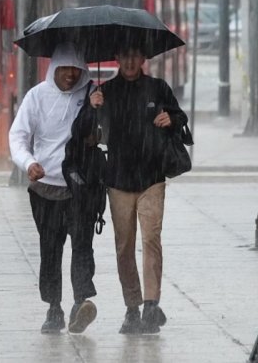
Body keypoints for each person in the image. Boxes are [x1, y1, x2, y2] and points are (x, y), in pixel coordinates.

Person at [84, 42, 187, 334]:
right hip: (117, 181)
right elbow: (93, 134)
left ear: (144, 58)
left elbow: (180, 117)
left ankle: (151, 305)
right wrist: (94, 108)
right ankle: (132, 307)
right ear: (116, 57)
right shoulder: (105, 92)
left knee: (151, 238)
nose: (130, 61)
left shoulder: (158, 88)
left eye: (135, 55)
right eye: (124, 55)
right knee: (124, 246)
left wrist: (172, 119)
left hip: (152, 179)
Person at [8, 42, 99, 335]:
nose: (71, 75)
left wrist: (98, 119)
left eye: (76, 69)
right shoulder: (36, 97)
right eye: (65, 69)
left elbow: (106, 134)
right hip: (45, 190)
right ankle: (53, 308)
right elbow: (18, 136)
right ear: (54, 69)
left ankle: (80, 302)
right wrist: (28, 163)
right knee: (50, 250)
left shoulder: (92, 96)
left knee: (82, 245)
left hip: (80, 188)